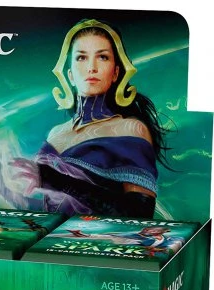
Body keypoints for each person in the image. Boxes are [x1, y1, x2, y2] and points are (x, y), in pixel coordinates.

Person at [9, 19, 170, 218]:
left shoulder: (130, 129)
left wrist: (56, 180)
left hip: (104, 237)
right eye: (81, 58)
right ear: (69, 75)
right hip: (53, 235)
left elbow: (139, 214)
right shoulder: (55, 134)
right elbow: (46, 208)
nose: (91, 67)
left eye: (102, 57)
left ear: (115, 72)